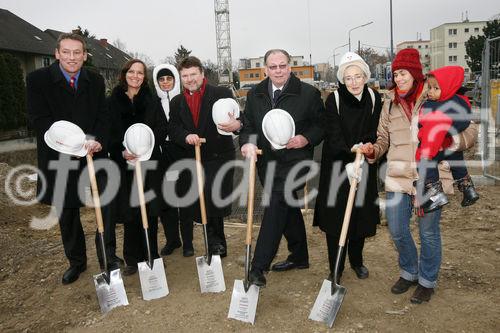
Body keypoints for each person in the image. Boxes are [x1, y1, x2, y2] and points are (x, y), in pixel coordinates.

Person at [361, 48, 477, 303]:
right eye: (395, 74)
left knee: (428, 233)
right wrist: (373, 151)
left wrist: (449, 141)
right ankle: (409, 271)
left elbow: (470, 131)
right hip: (399, 175)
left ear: (414, 73)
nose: (399, 78)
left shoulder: (437, 96)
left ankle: (426, 280)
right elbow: (383, 139)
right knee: (398, 229)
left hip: (431, 178)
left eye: (403, 73)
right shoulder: (389, 103)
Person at [26, 32, 118, 284]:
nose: (72, 57)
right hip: (59, 153)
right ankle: (76, 262)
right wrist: (69, 142)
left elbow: (103, 114)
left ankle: (108, 256)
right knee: (67, 211)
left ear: (85, 56)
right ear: (56, 53)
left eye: (77, 52)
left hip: (93, 151)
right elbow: (38, 118)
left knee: (106, 204)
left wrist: (97, 139)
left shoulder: (95, 80)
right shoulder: (38, 79)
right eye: (66, 52)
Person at [239, 49, 324, 287]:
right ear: (266, 69)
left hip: (297, 160)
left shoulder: (308, 93)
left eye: (282, 66)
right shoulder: (255, 94)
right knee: (287, 205)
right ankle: (299, 256)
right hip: (267, 162)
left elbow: (321, 125)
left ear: (290, 67)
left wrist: (305, 138)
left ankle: (258, 266)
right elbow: (248, 125)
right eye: (273, 67)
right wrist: (246, 144)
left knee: (278, 201)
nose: (278, 70)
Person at [313, 52, 382, 282]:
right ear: (343, 79)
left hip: (364, 165)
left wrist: (367, 150)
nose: (354, 82)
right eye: (349, 77)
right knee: (336, 219)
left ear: (365, 76)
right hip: (337, 166)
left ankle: (356, 260)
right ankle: (337, 267)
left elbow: (375, 129)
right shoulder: (334, 100)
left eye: (358, 76)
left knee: (360, 216)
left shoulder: (374, 98)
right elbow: (333, 134)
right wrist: (348, 158)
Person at [168, 56, 241, 258]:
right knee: (199, 199)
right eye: (185, 76)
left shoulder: (221, 93)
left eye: (193, 74)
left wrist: (237, 125)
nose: (190, 79)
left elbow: (236, 119)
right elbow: (173, 127)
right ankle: (209, 240)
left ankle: (217, 243)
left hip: (218, 155)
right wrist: (185, 136)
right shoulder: (177, 101)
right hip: (193, 156)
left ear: (202, 74)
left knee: (212, 196)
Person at [108, 59, 167, 276]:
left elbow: (162, 127)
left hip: (149, 163)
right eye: (132, 72)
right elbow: (109, 133)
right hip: (124, 164)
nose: (136, 76)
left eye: (140, 73)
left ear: (144, 76)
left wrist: (149, 147)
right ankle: (132, 258)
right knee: (130, 211)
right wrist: (120, 151)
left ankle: (152, 253)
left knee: (150, 211)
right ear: (125, 74)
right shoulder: (113, 101)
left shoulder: (152, 100)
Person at [416, 65, 479, 212]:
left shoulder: (436, 109)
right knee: (457, 160)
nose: (430, 92)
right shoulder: (459, 103)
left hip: (435, 145)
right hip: (450, 144)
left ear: (448, 88)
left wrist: (425, 154)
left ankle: (436, 194)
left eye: (435, 88)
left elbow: (432, 133)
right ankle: (469, 190)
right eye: (429, 87)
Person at [152, 63, 194, 257]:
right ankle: (172, 240)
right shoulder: (153, 102)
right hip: (163, 153)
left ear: (175, 80)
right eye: (162, 79)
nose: (166, 82)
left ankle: (188, 242)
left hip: (183, 151)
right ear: (157, 82)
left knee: (184, 198)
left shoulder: (183, 100)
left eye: (169, 79)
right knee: (167, 199)